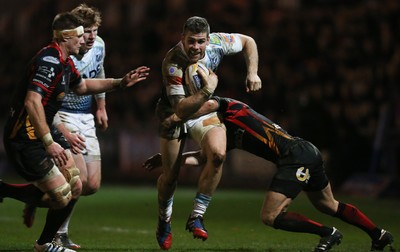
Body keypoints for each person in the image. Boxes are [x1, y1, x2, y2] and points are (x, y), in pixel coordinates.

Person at [145, 94, 396, 252]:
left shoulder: (229, 107)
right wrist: (170, 160)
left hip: (295, 156)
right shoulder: (224, 133)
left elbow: (206, 104)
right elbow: (202, 158)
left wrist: (174, 117)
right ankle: (378, 235)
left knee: (270, 216)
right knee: (329, 205)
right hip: (304, 152)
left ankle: (327, 233)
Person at [0, 12, 149, 252]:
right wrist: (50, 142)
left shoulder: (65, 60)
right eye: (80, 36)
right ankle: (46, 243)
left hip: (42, 133)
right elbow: (32, 102)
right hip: (25, 138)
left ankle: (42, 241)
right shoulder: (49, 61)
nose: (84, 41)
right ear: (66, 37)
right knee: (60, 195)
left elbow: (82, 87)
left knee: (76, 185)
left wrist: (120, 82)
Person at [155, 16, 262, 250]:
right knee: (170, 177)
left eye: (200, 42)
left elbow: (248, 42)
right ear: (182, 38)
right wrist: (208, 89)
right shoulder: (173, 62)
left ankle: (197, 216)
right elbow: (181, 109)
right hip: (173, 115)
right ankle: (164, 221)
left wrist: (252, 73)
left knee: (218, 155)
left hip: (202, 110)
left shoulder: (218, 42)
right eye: (190, 41)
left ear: (207, 39)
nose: (196, 47)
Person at [22, 4, 108, 249]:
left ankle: (34, 196)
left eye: (95, 30)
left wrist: (101, 106)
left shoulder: (99, 45)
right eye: (86, 31)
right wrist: (62, 131)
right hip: (63, 115)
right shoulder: (62, 54)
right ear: (75, 32)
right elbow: (46, 99)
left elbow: (99, 70)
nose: (91, 37)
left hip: (86, 115)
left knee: (92, 185)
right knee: (76, 180)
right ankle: (59, 233)